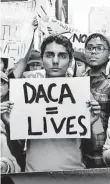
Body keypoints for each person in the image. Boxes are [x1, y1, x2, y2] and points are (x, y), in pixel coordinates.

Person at [24, 35, 101, 172]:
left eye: (62, 56)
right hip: (34, 176)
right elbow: (16, 149)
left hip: (73, 175)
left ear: (70, 60)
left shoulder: (82, 93)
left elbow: (92, 148)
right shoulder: (27, 94)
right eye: (49, 55)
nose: (55, 61)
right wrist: (9, 124)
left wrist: (89, 124)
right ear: (42, 59)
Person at [81, 33, 110, 168]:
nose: (93, 52)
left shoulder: (109, 84)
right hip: (78, 156)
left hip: (102, 158)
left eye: (99, 48)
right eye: (90, 48)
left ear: (108, 54)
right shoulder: (75, 82)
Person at [0, 71, 24, 173]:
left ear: (8, 86)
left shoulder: (18, 107)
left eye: (1, 82)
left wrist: (9, 124)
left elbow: (21, 148)